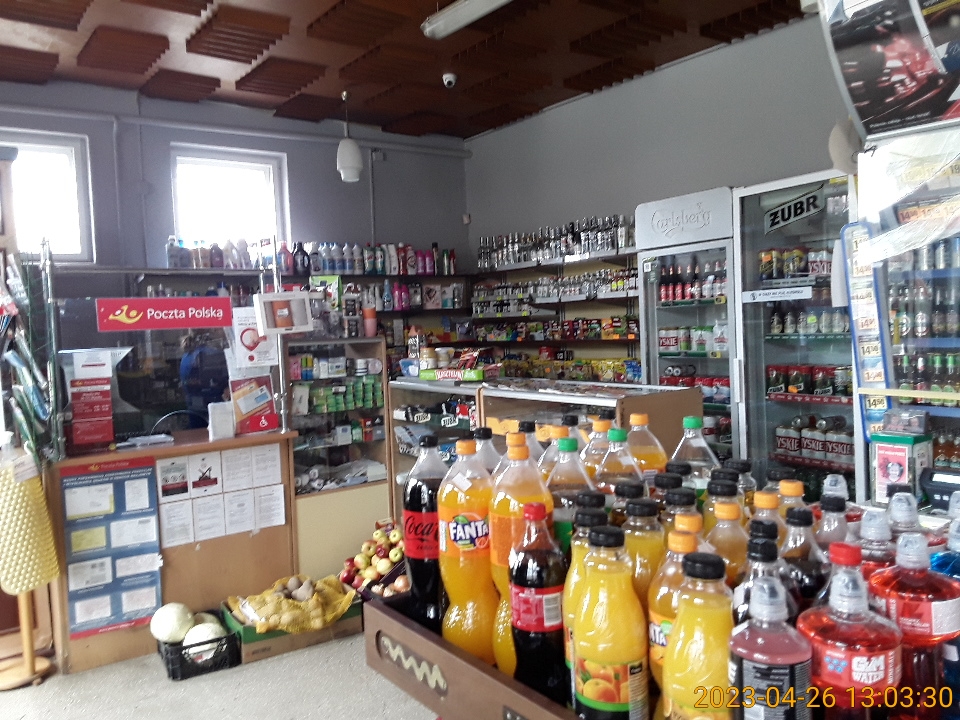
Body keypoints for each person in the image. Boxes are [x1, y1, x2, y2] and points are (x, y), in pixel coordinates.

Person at [179, 333, 229, 428]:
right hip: (213, 405)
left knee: (197, 433)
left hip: (194, 407)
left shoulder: (186, 356)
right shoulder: (209, 353)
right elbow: (224, 376)